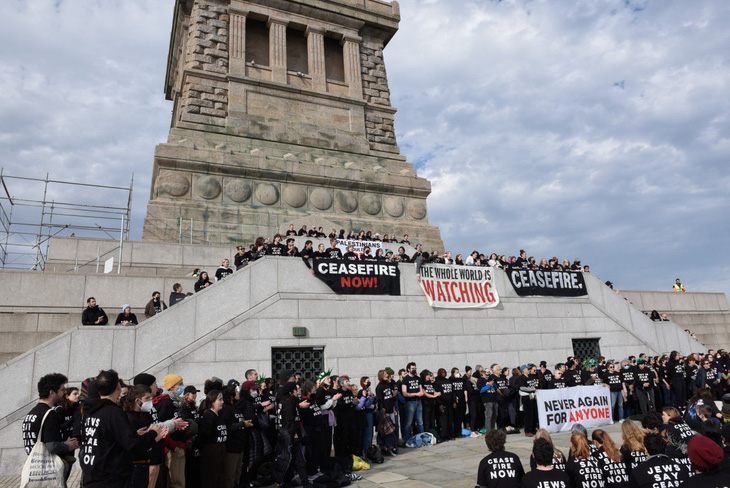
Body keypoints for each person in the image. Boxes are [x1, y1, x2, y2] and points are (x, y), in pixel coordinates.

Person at [80, 369, 165, 488]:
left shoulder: (89, 412)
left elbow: (106, 438)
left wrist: (134, 434)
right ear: (118, 386)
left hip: (92, 474)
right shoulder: (113, 412)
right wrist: (152, 433)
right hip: (110, 478)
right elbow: (133, 444)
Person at [22, 373, 79, 482]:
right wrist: (68, 446)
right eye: (62, 390)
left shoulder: (31, 413)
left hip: (34, 468)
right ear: (52, 393)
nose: (64, 393)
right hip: (48, 471)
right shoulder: (49, 414)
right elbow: (52, 446)